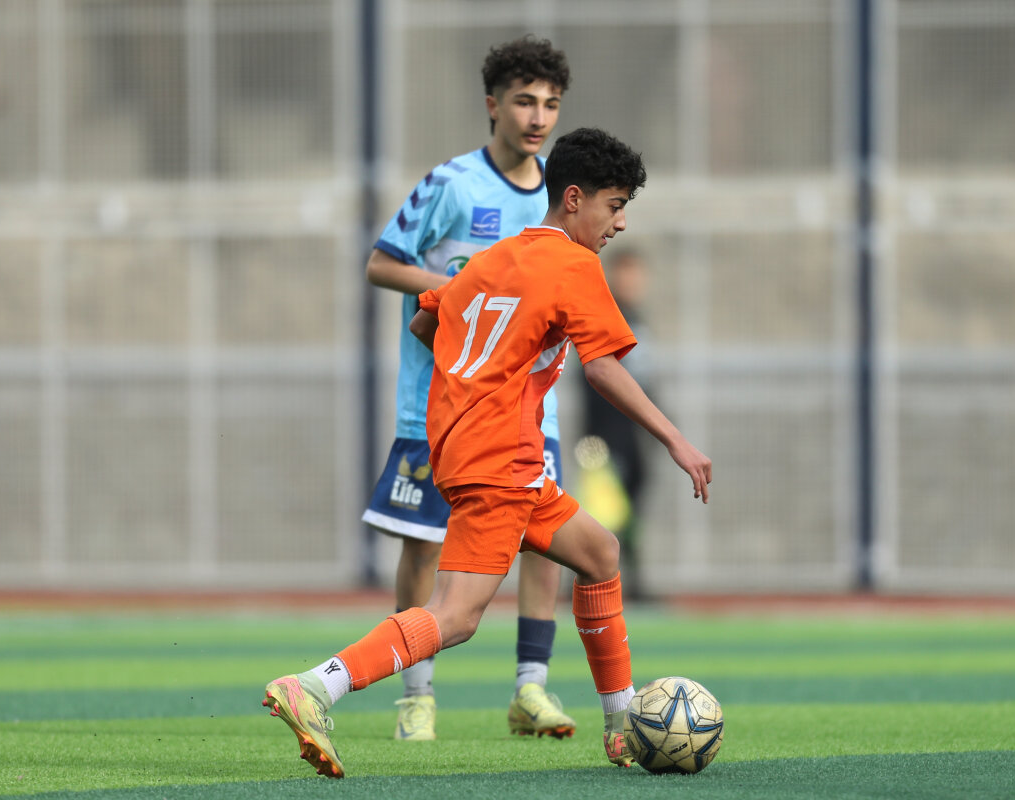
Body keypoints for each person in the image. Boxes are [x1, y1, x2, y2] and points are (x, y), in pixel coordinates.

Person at [263, 127, 712, 778]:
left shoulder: (494, 257)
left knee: (598, 553)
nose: (619, 222)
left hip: (473, 449)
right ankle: (314, 686)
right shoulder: (575, 265)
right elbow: (603, 367)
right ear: (574, 199)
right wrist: (676, 438)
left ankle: (621, 724)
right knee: (456, 616)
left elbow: (424, 320)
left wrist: (477, 377)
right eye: (614, 205)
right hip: (500, 457)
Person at [360, 36, 574, 742]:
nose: (537, 117)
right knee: (424, 545)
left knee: (545, 541)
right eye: (524, 101)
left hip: (527, 411)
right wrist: (462, 291)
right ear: (493, 105)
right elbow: (381, 263)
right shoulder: (452, 184)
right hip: (440, 407)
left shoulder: (559, 197)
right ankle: (416, 695)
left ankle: (530, 689)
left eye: (550, 104)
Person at [577, 249, 653, 599]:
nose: (633, 282)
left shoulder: (639, 320)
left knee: (630, 510)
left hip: (633, 434)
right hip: (602, 436)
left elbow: (645, 380)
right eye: (627, 274)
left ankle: (631, 583)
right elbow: (594, 377)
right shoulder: (604, 315)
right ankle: (587, 584)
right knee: (601, 513)